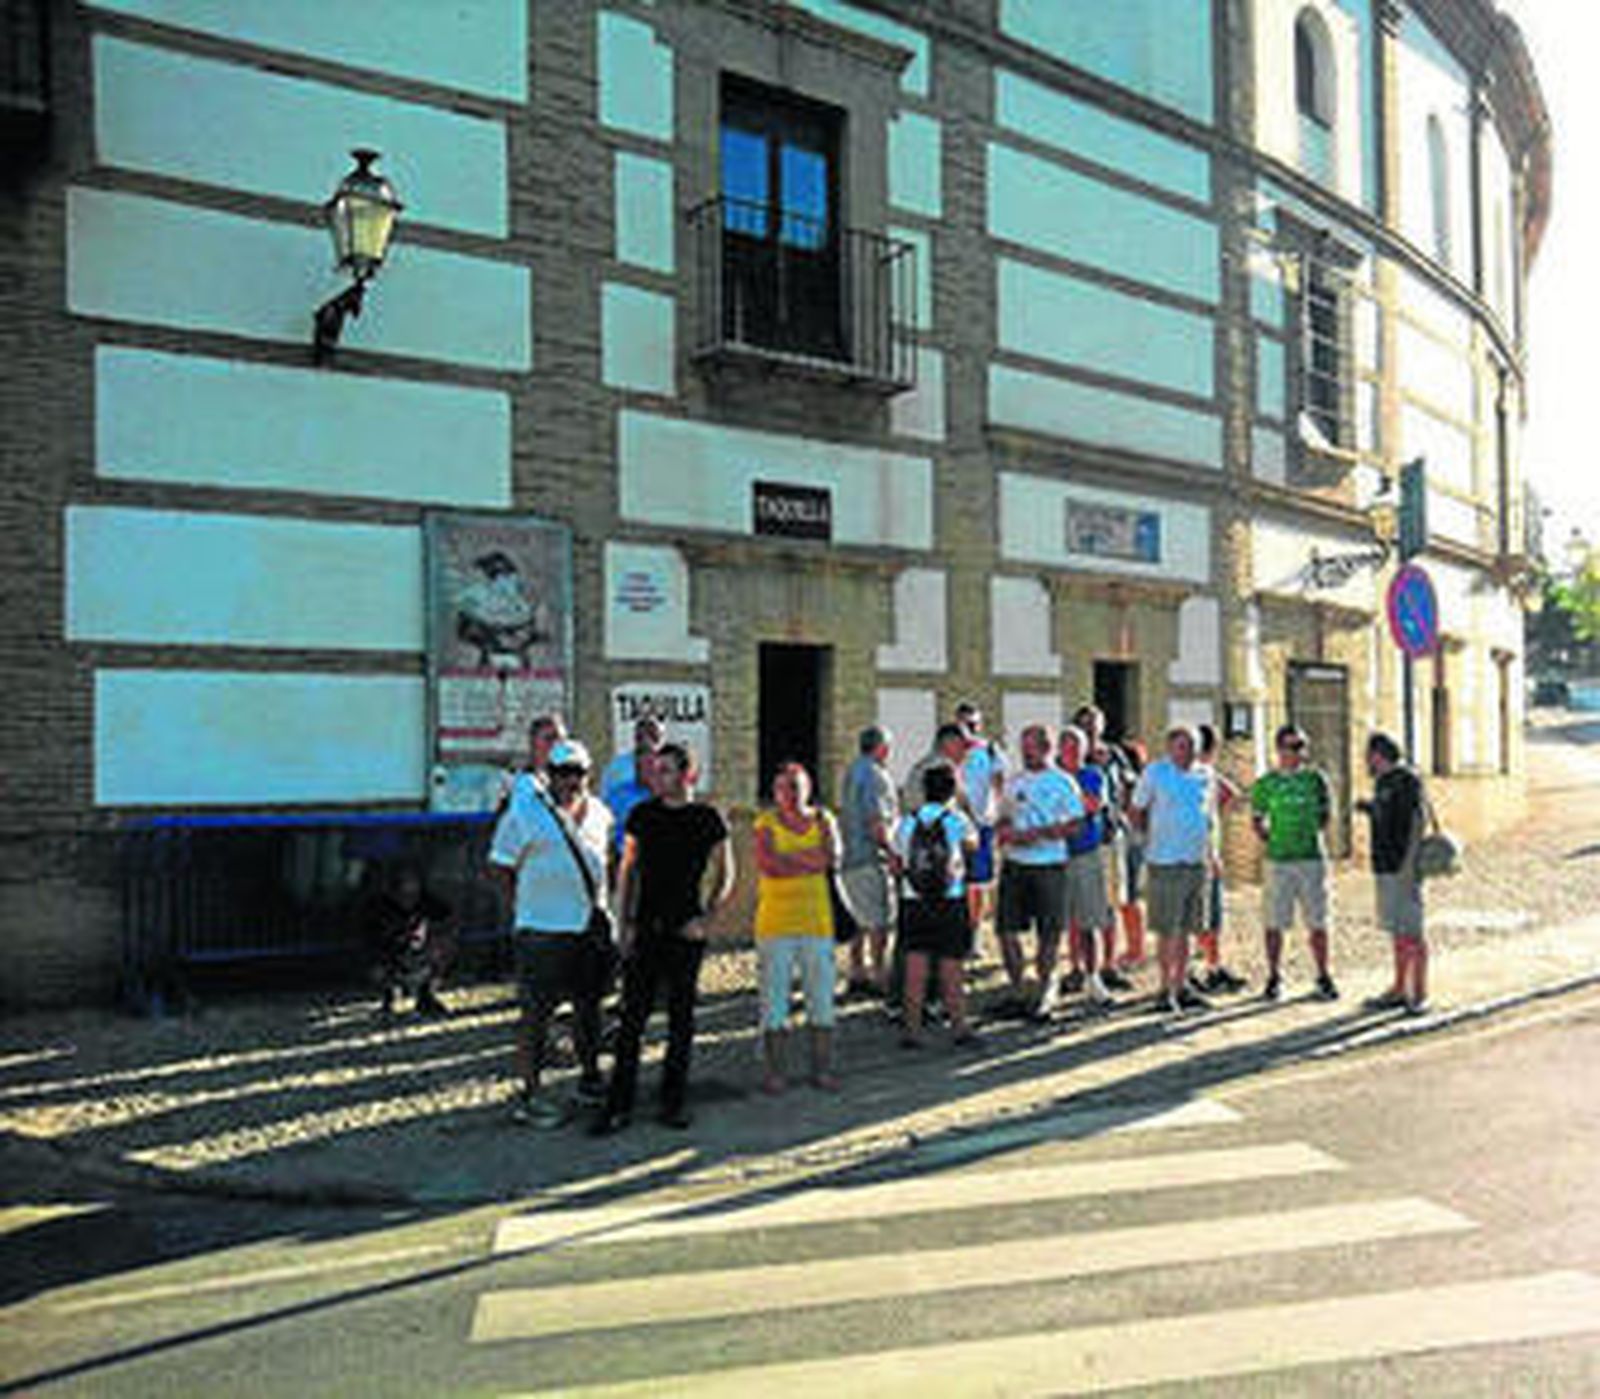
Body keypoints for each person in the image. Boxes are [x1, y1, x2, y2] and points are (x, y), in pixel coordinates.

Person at [591, 743, 734, 1134]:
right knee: (632, 1021)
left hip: (686, 932)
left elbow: (727, 873)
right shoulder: (643, 815)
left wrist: (708, 919)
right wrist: (624, 924)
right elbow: (628, 871)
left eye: (667, 770)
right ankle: (618, 1105)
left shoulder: (707, 818)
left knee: (681, 1022)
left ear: (688, 774)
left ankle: (673, 1102)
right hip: (646, 929)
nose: (658, 777)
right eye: (656, 770)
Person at [489, 738, 614, 1128]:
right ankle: (529, 1093)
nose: (570, 780)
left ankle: (589, 1078)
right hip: (541, 932)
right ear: (550, 775)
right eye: (562, 772)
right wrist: (523, 909)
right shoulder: (525, 814)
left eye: (577, 772)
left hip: (587, 930)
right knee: (535, 1015)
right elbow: (499, 867)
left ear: (587, 775)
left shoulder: (600, 814)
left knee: (589, 1010)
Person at [752, 762, 842, 1094]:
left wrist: (793, 860)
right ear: (775, 792)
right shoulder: (766, 822)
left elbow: (832, 858)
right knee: (774, 1002)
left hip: (817, 922)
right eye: (784, 787)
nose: (790, 794)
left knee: (821, 999)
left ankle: (822, 1069)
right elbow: (769, 865)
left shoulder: (823, 820)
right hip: (775, 924)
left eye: (796, 786)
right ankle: (776, 1073)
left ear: (808, 787)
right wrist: (810, 858)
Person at [995, 723, 1085, 1019]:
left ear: (1047, 748)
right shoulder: (1014, 781)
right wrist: (1006, 828)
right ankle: (1018, 990)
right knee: (1007, 930)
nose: (1024, 753)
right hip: (1014, 865)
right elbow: (1004, 816)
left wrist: (1039, 833)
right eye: (1022, 747)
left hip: (1049, 867)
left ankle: (1046, 991)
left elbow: (1075, 825)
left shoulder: (1063, 782)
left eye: (1030, 747)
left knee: (1048, 933)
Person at [1131, 725, 1218, 1014]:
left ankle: (1182, 986)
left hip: (1196, 862)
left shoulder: (1205, 774)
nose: (1187, 751)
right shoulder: (1155, 772)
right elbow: (1137, 810)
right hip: (1165, 861)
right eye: (1182, 746)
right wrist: (1146, 840)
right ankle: (1164, 989)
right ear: (1170, 748)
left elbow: (1210, 817)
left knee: (1191, 928)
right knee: (1167, 930)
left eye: (1192, 745)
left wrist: (1213, 853)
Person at [893, 761, 980, 1049]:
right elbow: (972, 847)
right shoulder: (957, 821)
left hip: (913, 900)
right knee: (951, 966)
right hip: (949, 900)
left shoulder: (907, 821)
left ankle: (912, 1030)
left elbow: (896, 860)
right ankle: (959, 1027)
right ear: (952, 790)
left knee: (915, 966)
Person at [1251, 724, 1339, 1002]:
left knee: (1318, 920)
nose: (1298, 752)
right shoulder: (1266, 783)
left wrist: (1309, 832)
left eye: (1301, 746)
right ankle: (1274, 976)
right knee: (1274, 921)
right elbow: (1257, 819)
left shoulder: (1316, 779)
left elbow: (1326, 815)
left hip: (1311, 858)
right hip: (1278, 860)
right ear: (1279, 750)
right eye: (1292, 746)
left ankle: (1323, 975)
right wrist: (1273, 838)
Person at [1358, 731, 1429, 1015]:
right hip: (1384, 865)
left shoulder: (1407, 780)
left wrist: (1409, 867)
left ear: (1378, 754)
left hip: (1403, 867)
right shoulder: (1382, 782)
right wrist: (1370, 808)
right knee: (1397, 933)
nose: (1366, 759)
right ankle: (1399, 988)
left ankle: (1420, 992)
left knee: (1412, 933)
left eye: (1369, 754)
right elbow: (1387, 815)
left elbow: (1416, 822)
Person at [1074, 705, 1146, 972]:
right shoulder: (1074, 757)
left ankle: (1122, 956)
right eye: (1086, 725)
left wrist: (1123, 813)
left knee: (1119, 899)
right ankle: (1083, 962)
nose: (1091, 729)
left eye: (1095, 724)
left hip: (1111, 834)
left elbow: (1131, 783)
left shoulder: (1114, 754)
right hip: (1082, 838)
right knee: (1083, 905)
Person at [1057, 725, 1117, 1009]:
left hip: (1085, 854)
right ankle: (1067, 972)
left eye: (1075, 746)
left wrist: (1065, 798)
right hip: (1054, 856)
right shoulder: (1052, 776)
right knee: (1058, 921)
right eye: (1065, 745)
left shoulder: (1093, 775)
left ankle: (1094, 978)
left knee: (1089, 919)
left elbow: (1092, 805)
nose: (1070, 751)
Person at [838, 725, 899, 997]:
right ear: (882, 748)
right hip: (870, 856)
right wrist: (893, 851)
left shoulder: (853, 770)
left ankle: (856, 970)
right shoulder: (875, 775)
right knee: (878, 921)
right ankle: (879, 976)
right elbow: (877, 821)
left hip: (850, 854)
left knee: (859, 919)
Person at [1192, 723, 1247, 994]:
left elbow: (1232, 794)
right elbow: (1234, 795)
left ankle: (1211, 966)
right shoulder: (1202, 775)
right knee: (1202, 915)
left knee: (1210, 916)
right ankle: (1201, 968)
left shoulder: (1205, 774)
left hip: (1203, 852)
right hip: (1201, 854)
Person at [366, 860, 455, 1018]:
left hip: (418, 956)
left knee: (442, 948)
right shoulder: (379, 907)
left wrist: (430, 937)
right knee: (378, 968)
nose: (409, 892)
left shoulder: (426, 901)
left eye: (413, 884)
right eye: (404, 885)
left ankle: (425, 997)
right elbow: (372, 941)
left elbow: (447, 917)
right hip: (391, 957)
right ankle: (388, 998)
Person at [954, 701, 1007, 933]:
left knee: (978, 883)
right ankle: (957, 929)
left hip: (982, 824)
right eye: (965, 724)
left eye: (974, 724)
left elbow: (1000, 784)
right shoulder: (950, 752)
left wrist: (999, 816)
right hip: (955, 825)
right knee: (956, 879)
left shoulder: (990, 750)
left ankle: (973, 932)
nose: (970, 730)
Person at [600, 716, 664, 854]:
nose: (647, 740)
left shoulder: (669, 794)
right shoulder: (616, 769)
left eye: (653, 735)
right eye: (641, 736)